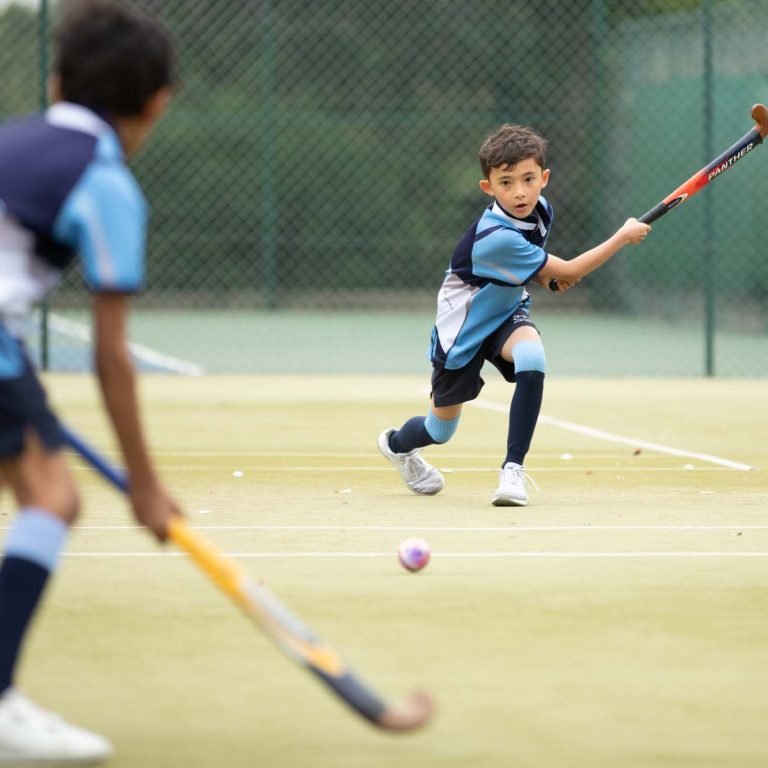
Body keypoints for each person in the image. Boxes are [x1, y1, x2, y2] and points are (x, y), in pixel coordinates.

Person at [0, 0, 179, 762]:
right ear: (156, 105)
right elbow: (112, 356)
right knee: (52, 498)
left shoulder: (8, 137)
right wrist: (143, 483)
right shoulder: (106, 183)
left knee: (48, 490)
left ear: (56, 80)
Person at [378, 124, 651, 506]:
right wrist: (622, 237)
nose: (519, 192)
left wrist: (544, 279)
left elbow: (530, 268)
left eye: (528, 179)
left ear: (544, 178)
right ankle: (396, 446)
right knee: (440, 430)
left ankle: (512, 471)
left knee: (532, 358)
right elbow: (569, 270)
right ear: (488, 188)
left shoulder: (540, 210)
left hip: (507, 312)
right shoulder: (494, 236)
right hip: (464, 330)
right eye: (506, 183)